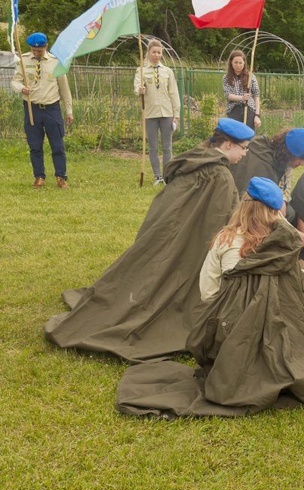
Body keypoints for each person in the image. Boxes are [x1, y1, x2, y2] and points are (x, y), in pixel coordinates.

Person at [115, 177, 304, 418]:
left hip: (231, 335)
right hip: (280, 330)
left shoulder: (224, 239)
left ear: (243, 205)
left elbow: (208, 292)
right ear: (275, 212)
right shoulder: (285, 245)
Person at [45, 119, 253, 362]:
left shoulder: (195, 157)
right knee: (168, 286)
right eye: (243, 147)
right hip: (185, 247)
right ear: (228, 145)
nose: (245, 153)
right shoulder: (220, 175)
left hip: (163, 230)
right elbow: (221, 223)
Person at [231, 127, 304, 247]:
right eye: (300, 158)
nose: (302, 163)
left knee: (290, 212)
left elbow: (283, 194)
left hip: (258, 208)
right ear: (288, 152)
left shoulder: (280, 158)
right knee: (285, 213)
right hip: (242, 213)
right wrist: (292, 232)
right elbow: (256, 209)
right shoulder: (262, 165)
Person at [11, 32, 74, 189]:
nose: (36, 53)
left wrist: (69, 110)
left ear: (46, 47)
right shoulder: (23, 60)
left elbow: (64, 89)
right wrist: (21, 88)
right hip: (32, 108)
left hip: (52, 108)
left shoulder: (55, 62)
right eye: (34, 50)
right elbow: (15, 81)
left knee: (57, 145)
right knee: (35, 145)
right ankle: (39, 177)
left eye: (39, 50)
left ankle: (61, 177)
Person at [134, 39, 181, 186]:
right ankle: (157, 176)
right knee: (153, 147)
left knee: (167, 146)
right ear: (148, 53)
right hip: (150, 114)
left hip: (166, 113)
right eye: (153, 52)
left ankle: (167, 175)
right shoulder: (141, 71)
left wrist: (176, 113)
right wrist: (140, 90)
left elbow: (174, 93)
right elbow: (137, 88)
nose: (156, 55)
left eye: (159, 52)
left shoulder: (167, 72)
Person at [223, 50, 261, 130]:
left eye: (240, 63)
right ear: (231, 63)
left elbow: (256, 95)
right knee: (234, 137)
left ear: (244, 63)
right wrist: (242, 98)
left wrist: (257, 115)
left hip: (249, 111)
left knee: (248, 137)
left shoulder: (251, 77)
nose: (238, 65)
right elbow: (228, 95)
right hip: (233, 111)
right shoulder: (226, 78)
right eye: (235, 62)